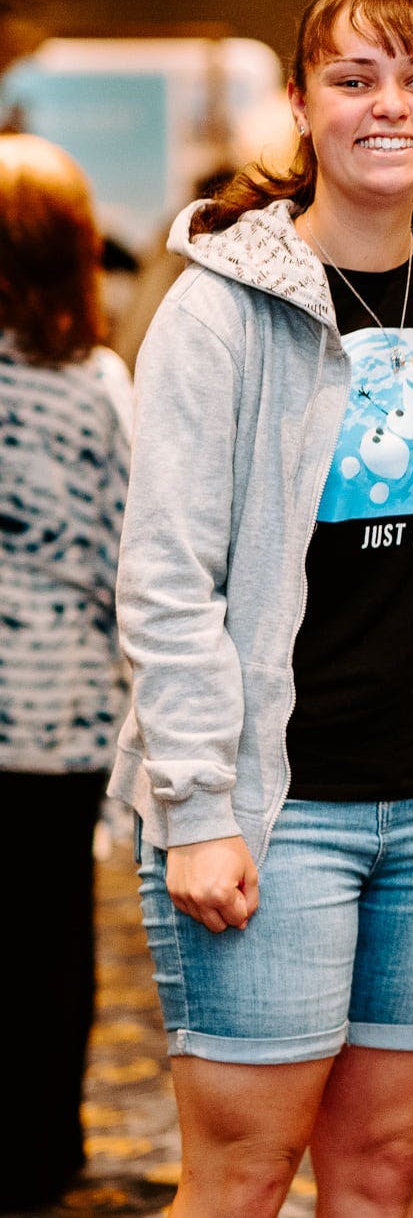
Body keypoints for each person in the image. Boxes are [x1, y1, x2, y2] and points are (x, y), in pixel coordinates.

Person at [108, 0, 413, 1216]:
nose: (391, 106)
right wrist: (197, 806)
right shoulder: (220, 309)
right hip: (277, 810)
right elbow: (166, 577)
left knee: (381, 1172)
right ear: (299, 104)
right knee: (242, 1176)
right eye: (354, 79)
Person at [0, 133, 130, 1213]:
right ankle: (40, 1151)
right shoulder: (96, 384)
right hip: (60, 715)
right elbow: (127, 552)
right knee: (47, 942)